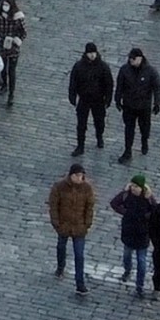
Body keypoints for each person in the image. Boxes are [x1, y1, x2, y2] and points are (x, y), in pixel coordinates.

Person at [47, 162, 95, 294]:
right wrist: (56, 223)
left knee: (79, 255)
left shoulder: (87, 188)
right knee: (61, 246)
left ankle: (80, 284)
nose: (80, 178)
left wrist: (87, 224)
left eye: (82, 175)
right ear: (71, 175)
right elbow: (53, 206)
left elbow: (89, 207)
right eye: (78, 175)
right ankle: (60, 266)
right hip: (64, 225)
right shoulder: (59, 187)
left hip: (79, 227)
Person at [110, 173, 156, 298]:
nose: (134, 188)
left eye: (136, 186)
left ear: (142, 188)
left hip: (142, 234)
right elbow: (114, 203)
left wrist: (146, 217)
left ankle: (139, 286)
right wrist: (125, 212)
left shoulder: (148, 198)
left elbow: (155, 211)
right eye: (132, 186)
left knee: (141, 262)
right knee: (127, 255)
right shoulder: (126, 195)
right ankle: (127, 270)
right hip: (129, 232)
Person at [114, 47, 160, 163]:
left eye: (133, 58)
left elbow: (157, 87)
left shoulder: (150, 71)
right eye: (130, 58)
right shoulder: (125, 70)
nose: (131, 60)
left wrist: (157, 103)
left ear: (140, 58)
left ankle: (144, 142)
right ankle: (127, 151)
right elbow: (119, 85)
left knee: (144, 128)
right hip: (129, 105)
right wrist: (117, 99)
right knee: (129, 129)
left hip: (144, 107)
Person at [68, 41, 114, 154]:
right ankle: (80, 146)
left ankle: (99, 137)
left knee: (99, 121)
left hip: (98, 100)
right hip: (84, 99)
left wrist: (108, 99)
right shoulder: (79, 66)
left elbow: (109, 84)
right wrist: (72, 96)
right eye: (90, 53)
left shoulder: (103, 67)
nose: (92, 55)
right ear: (86, 53)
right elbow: (73, 82)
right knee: (81, 124)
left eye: (93, 52)